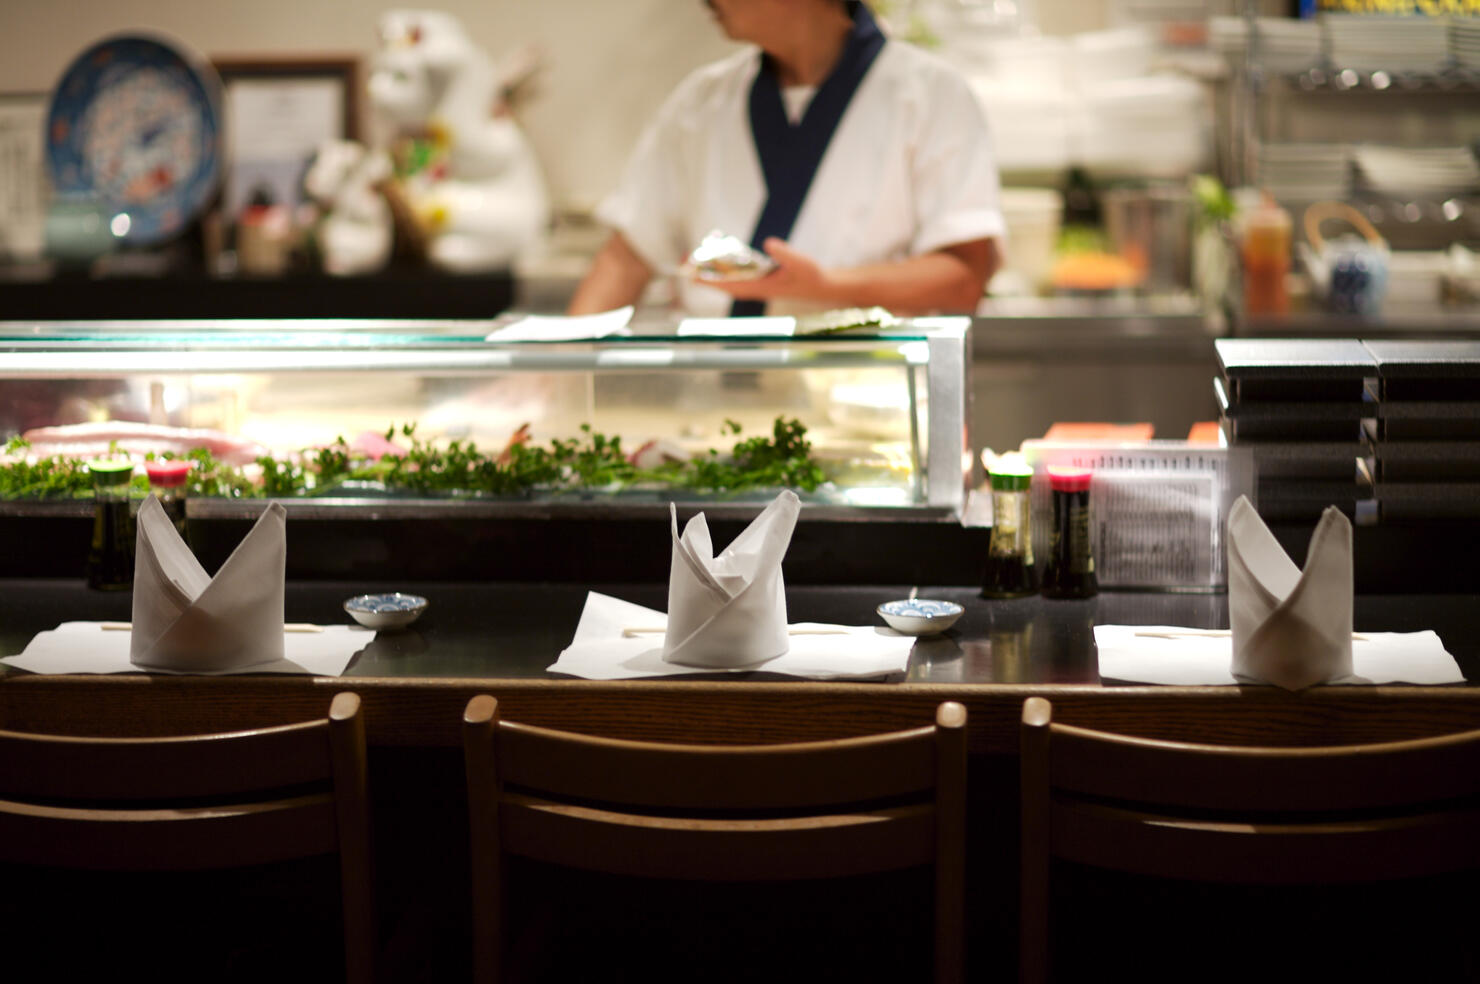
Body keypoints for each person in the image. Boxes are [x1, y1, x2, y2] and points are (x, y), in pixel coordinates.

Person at [568, 0, 1005, 318]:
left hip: (866, 403)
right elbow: (626, 258)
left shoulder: (931, 95)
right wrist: (543, 384)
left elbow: (965, 278)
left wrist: (824, 287)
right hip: (709, 403)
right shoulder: (699, 103)